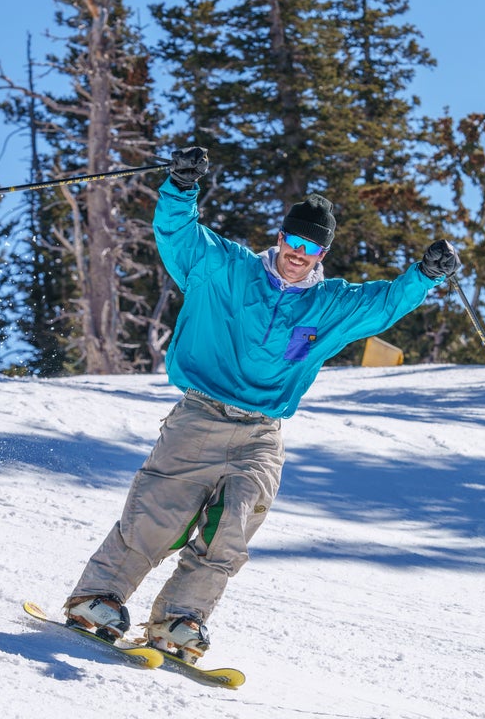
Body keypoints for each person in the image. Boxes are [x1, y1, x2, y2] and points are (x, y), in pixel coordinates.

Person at [62, 146, 460, 662]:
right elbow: (179, 235)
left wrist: (424, 275)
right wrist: (181, 188)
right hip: (201, 415)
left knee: (232, 526)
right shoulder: (225, 268)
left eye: (310, 247)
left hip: (261, 434)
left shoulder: (330, 304)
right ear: (279, 238)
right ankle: (99, 598)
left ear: (322, 255)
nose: (298, 252)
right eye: (293, 240)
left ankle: (180, 621)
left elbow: (384, 303)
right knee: (158, 513)